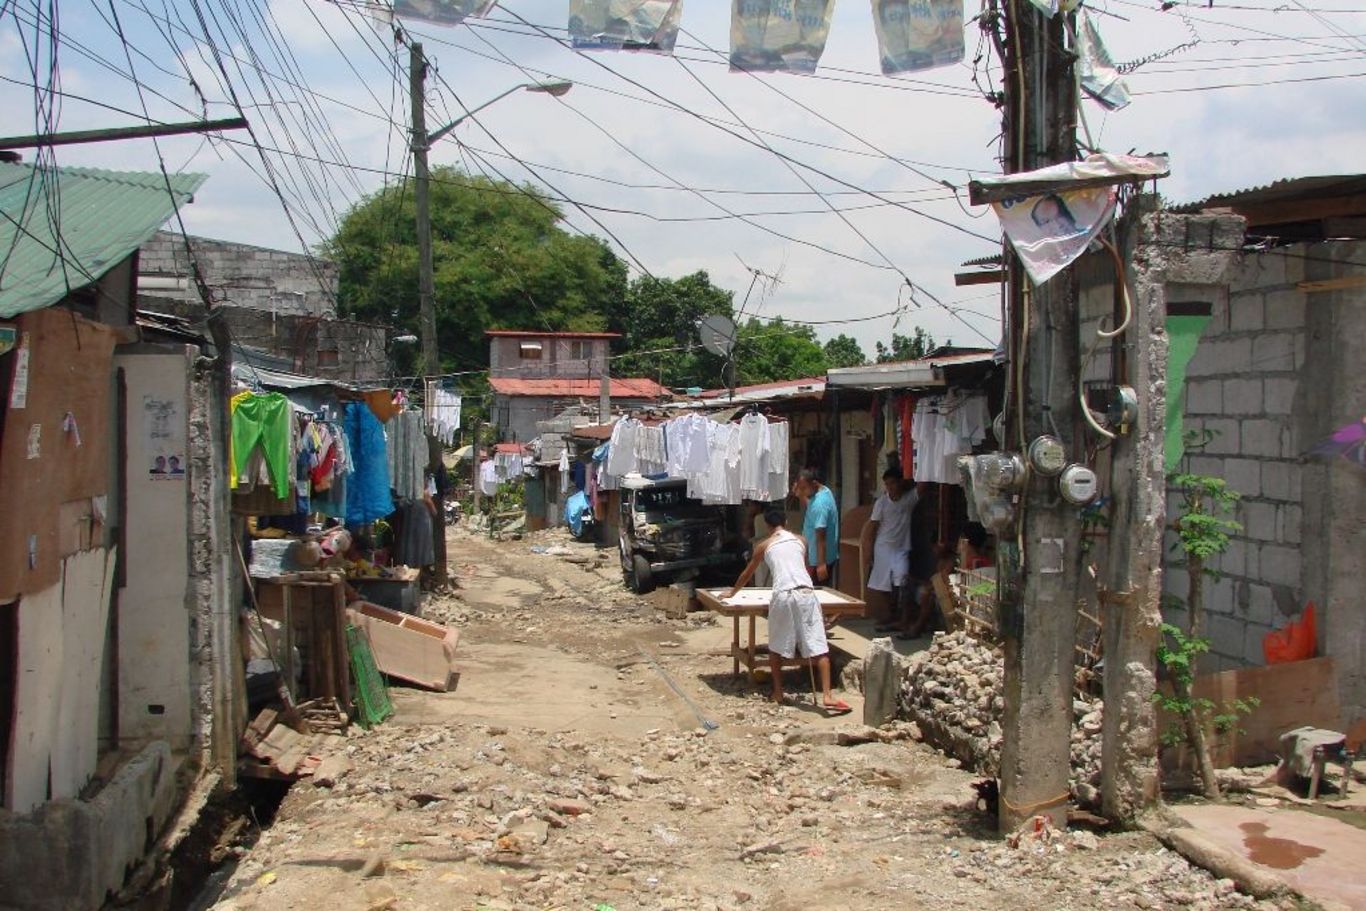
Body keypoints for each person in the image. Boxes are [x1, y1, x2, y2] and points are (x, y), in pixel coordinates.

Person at [724, 508, 851, 714]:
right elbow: (801, 565)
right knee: (819, 646)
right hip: (806, 593)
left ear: (767, 526)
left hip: (783, 594)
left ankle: (779, 692)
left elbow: (747, 574)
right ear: (785, 521)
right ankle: (827, 695)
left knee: (776, 646)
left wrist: (732, 592)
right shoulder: (801, 540)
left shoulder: (764, 546)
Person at [867, 470, 919, 633]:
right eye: (887, 484)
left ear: (900, 483)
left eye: (893, 483)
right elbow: (872, 528)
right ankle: (892, 615)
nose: (890, 487)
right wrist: (869, 553)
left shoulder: (909, 499)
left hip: (901, 549)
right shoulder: (881, 503)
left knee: (901, 582)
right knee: (882, 585)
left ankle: (903, 619)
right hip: (883, 548)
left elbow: (923, 486)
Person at [792, 468, 839, 585]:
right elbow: (812, 508)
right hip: (818, 556)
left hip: (817, 560)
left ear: (814, 483)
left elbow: (821, 537)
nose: (802, 491)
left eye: (804, 488)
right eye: (800, 488)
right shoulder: (824, 491)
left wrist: (821, 564)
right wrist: (800, 496)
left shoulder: (820, 504)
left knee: (816, 595)